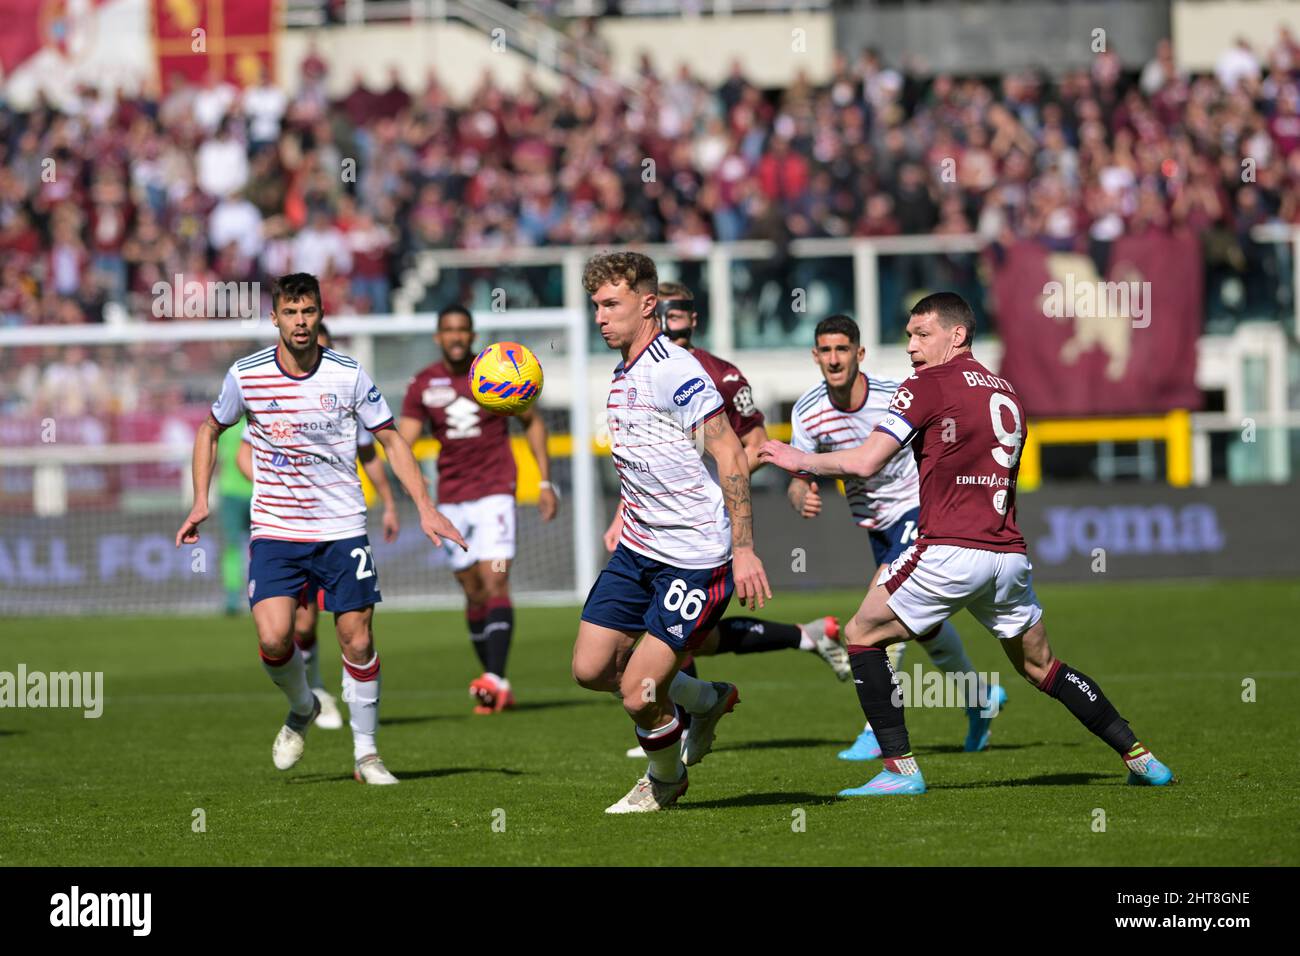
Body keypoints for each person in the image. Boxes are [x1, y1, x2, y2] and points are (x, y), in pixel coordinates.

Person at [759, 292, 1175, 795]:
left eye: (922, 334)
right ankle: (1139, 755)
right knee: (1043, 666)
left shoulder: (926, 384)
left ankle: (898, 770)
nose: (911, 345)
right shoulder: (1006, 390)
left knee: (863, 634)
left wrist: (794, 459)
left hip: (949, 548)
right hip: (1008, 556)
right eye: (909, 334)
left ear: (957, 335)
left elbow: (865, 461)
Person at [175, 273, 466, 785]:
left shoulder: (348, 374)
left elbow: (391, 439)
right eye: (291, 312)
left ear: (319, 313)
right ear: (275, 318)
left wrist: (424, 504)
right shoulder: (246, 375)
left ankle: (367, 755)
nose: (301, 321)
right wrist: (200, 498)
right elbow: (210, 429)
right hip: (276, 530)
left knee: (356, 640)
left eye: (308, 311)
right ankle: (302, 703)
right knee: (274, 639)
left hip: (342, 529)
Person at [607, 283, 847, 761]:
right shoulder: (632, 371)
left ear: (692, 319)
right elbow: (646, 457)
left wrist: (719, 480)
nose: (672, 323)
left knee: (673, 636)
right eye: (666, 314)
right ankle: (801, 639)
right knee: (686, 637)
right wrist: (623, 512)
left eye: (680, 315)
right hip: (656, 522)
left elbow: (752, 440)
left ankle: (676, 717)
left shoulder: (718, 374)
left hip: (706, 524)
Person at [573, 251, 771, 813]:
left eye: (611, 304)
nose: (600, 317)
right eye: (596, 306)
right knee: (591, 669)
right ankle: (706, 699)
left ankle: (665, 780)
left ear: (648, 304)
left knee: (639, 693)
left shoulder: (673, 369)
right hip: (638, 550)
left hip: (694, 557)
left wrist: (744, 547)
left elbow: (729, 452)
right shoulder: (622, 372)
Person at [787, 314, 1007, 761]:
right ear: (815, 356)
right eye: (825, 351)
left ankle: (876, 727)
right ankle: (979, 697)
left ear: (859, 353)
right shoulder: (807, 411)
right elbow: (799, 472)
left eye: (842, 349)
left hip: (917, 512)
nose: (834, 359)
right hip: (875, 525)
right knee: (924, 627)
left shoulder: (895, 396)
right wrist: (800, 494)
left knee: (878, 611)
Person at [235, 322, 400, 730]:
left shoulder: (345, 389)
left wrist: (391, 502)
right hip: (289, 528)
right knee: (299, 625)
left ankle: (363, 739)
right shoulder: (275, 392)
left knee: (355, 631)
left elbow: (372, 452)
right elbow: (244, 453)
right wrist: (279, 486)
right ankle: (315, 691)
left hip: (338, 526)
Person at [398, 305, 558, 714]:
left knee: (496, 579)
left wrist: (543, 481)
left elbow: (533, 422)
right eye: (448, 330)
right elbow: (403, 442)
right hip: (451, 500)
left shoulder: (496, 373)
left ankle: (496, 679)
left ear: (472, 335)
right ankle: (493, 678)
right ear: (438, 336)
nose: (455, 336)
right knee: (472, 591)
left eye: (462, 330)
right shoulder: (423, 384)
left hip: (496, 493)